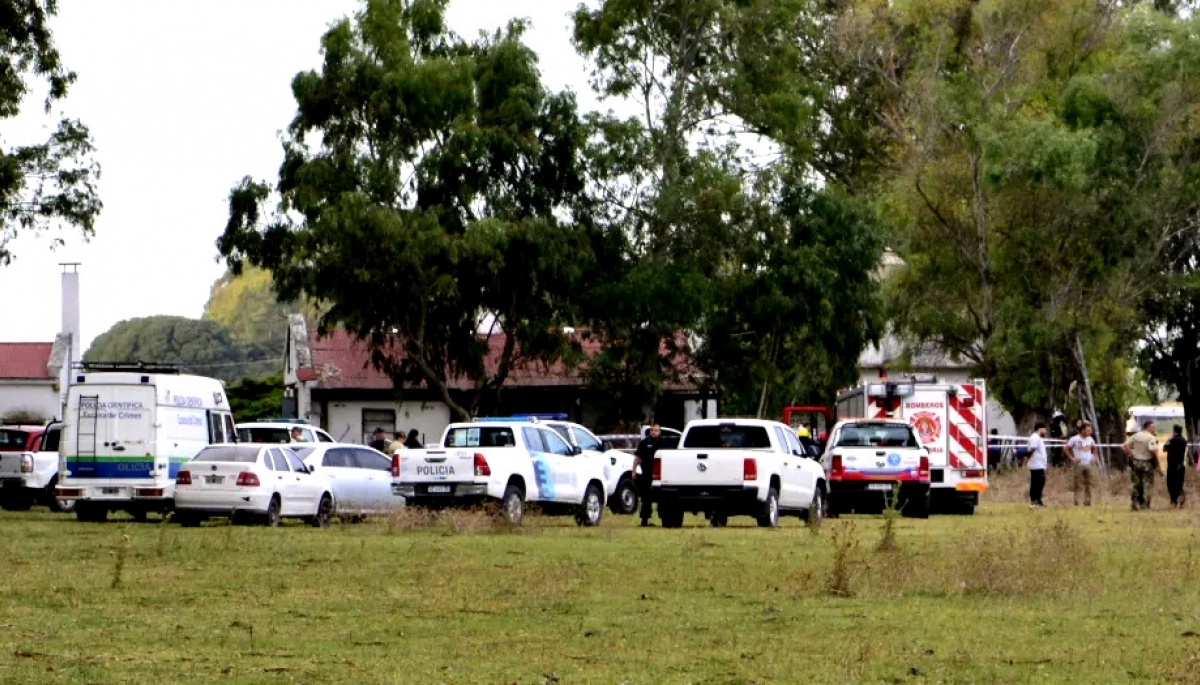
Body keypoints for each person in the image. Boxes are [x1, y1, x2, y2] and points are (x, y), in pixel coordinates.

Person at [1122, 420, 1161, 510]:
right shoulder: (1151, 437)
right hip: (1147, 463)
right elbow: (1152, 450)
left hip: (1135, 462)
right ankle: (1146, 505)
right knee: (1147, 484)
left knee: (1136, 484)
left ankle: (1134, 503)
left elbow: (1124, 446)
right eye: (1153, 427)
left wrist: (1130, 454)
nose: (1154, 429)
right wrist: (1157, 464)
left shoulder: (1136, 435)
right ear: (1148, 427)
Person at [633, 424, 663, 527]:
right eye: (652, 430)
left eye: (656, 430)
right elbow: (637, 457)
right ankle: (644, 520)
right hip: (646, 473)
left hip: (661, 475)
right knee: (646, 497)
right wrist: (634, 471)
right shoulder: (644, 443)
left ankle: (664, 519)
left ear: (659, 432)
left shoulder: (664, 443)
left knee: (663, 497)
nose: (654, 432)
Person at [1065, 421, 1099, 506]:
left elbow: (1094, 449)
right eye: (1087, 430)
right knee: (1078, 483)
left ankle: (1088, 501)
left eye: (1090, 430)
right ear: (1082, 430)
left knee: (1089, 483)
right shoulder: (1074, 439)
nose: (1089, 432)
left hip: (1089, 464)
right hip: (1079, 464)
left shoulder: (1090, 439)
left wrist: (1094, 457)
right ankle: (1077, 501)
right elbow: (1066, 449)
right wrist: (1072, 458)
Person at [1165, 424, 1188, 508]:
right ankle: (1180, 496)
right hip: (1181, 465)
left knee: (1170, 483)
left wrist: (1168, 440)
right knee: (1179, 483)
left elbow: (1164, 449)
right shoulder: (1184, 440)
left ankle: (1173, 500)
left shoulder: (1172, 440)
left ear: (1174, 431)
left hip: (1172, 465)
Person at [1028, 423, 1048, 507]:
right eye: (1044, 429)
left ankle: (1037, 500)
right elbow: (1032, 449)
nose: (1045, 431)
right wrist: (1026, 457)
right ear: (1040, 429)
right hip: (1036, 464)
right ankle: (1035, 500)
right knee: (1038, 483)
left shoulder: (1038, 438)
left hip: (1039, 464)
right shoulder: (1035, 438)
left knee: (1039, 482)